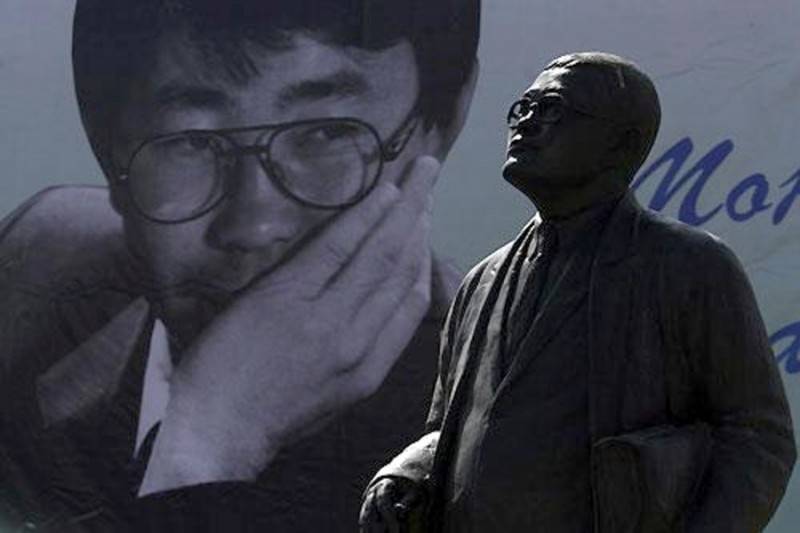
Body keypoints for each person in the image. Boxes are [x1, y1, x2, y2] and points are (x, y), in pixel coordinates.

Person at [0, 1, 480, 531]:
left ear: (443, 127)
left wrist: (203, 445)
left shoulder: (492, 432)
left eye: (328, 132)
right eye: (190, 140)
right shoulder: (37, 266)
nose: (254, 223)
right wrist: (206, 432)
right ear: (111, 155)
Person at [361, 52, 796, 533]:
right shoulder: (482, 282)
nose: (526, 122)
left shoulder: (687, 267)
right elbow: (449, 429)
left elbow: (758, 439)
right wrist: (407, 469)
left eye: (552, 108)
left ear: (620, 143)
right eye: (523, 107)